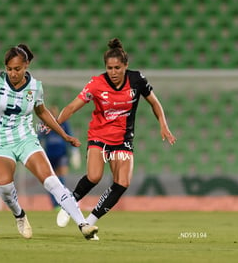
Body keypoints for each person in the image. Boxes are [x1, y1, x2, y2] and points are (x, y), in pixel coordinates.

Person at [0, 44, 98, 240]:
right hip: (0, 142)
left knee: (51, 181)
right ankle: (20, 216)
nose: (13, 73)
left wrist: (64, 134)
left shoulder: (35, 87)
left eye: (17, 69)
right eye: (9, 69)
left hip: (26, 139)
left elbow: (42, 112)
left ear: (26, 66)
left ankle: (83, 225)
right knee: (5, 188)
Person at [55, 38, 177, 240]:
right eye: (109, 67)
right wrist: (55, 124)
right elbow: (71, 107)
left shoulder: (137, 80)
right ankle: (70, 203)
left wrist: (163, 124)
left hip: (123, 139)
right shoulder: (96, 84)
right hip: (99, 136)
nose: (113, 72)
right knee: (94, 177)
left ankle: (89, 223)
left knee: (122, 183)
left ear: (125, 66)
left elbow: (155, 103)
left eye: (117, 67)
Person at [38, 105, 80, 209]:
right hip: (49, 155)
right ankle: (55, 203)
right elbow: (39, 137)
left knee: (61, 177)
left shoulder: (64, 124)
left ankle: (64, 201)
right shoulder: (45, 124)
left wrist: (75, 152)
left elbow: (69, 135)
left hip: (61, 154)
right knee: (51, 180)